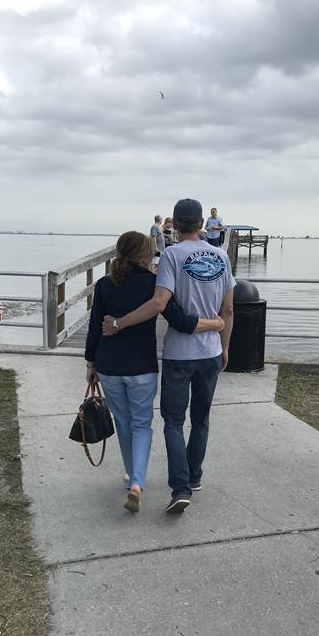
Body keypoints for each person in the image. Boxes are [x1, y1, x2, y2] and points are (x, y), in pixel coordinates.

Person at [103, 199, 235, 514]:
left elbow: (161, 302)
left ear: (173, 224)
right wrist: (225, 345)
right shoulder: (221, 256)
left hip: (180, 354)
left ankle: (181, 487)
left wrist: (120, 323)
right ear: (202, 222)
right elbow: (228, 309)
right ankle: (195, 474)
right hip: (212, 351)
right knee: (201, 418)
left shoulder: (172, 256)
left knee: (174, 422)